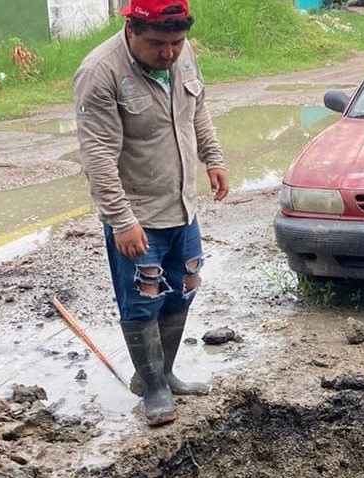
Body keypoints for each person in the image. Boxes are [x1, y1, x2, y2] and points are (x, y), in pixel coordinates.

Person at [73, 0, 228, 427]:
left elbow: (198, 110)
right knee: (143, 301)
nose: (169, 53)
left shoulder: (183, 53)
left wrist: (214, 158)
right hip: (137, 215)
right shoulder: (101, 72)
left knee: (183, 289)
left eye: (177, 42)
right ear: (132, 30)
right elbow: (99, 156)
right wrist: (122, 221)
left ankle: (166, 373)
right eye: (159, 43)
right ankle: (152, 387)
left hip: (182, 207)